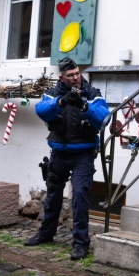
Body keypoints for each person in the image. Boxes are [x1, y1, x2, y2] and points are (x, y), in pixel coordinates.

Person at [24, 57, 109, 261]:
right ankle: (46, 233)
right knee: (53, 195)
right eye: (70, 75)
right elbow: (41, 111)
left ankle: (80, 244)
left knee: (80, 195)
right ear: (62, 77)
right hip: (59, 152)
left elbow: (104, 117)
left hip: (83, 154)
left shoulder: (92, 93)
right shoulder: (53, 93)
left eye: (77, 74)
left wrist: (85, 106)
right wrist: (61, 102)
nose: (75, 78)